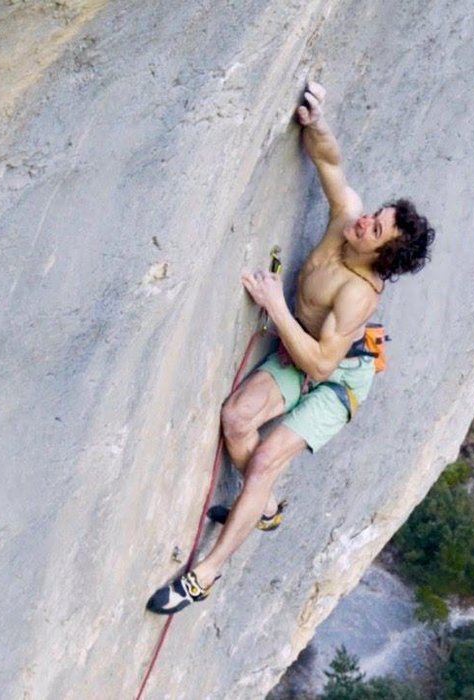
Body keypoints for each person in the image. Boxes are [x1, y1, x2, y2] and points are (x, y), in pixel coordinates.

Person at [147, 81, 435, 614]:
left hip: (338, 378)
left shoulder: (358, 296)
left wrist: (277, 307)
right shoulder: (345, 220)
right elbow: (329, 162)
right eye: (379, 213)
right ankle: (266, 509)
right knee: (236, 420)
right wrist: (317, 122)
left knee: (263, 464)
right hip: (302, 351)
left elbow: (323, 365)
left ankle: (203, 576)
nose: (367, 221)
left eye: (378, 229)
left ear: (384, 255)